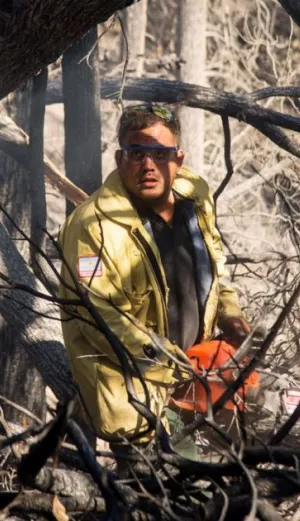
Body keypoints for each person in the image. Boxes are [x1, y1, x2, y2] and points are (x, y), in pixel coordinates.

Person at [58, 103, 251, 465]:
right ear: (119, 158)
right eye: (136, 153)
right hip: (139, 395)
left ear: (178, 159)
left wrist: (230, 312)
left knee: (246, 474)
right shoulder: (93, 228)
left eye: (159, 154)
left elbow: (217, 265)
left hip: (199, 376)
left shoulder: (195, 196)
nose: (147, 165)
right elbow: (103, 323)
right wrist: (182, 371)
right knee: (183, 494)